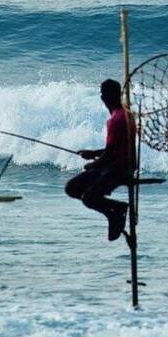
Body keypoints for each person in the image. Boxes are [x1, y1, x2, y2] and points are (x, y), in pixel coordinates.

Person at [66, 79, 136, 242]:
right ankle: (114, 211)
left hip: (117, 170)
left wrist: (92, 164)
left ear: (104, 97)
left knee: (81, 194)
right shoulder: (127, 115)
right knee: (76, 188)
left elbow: (109, 155)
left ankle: (116, 210)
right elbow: (117, 148)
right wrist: (94, 153)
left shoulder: (115, 120)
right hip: (124, 166)